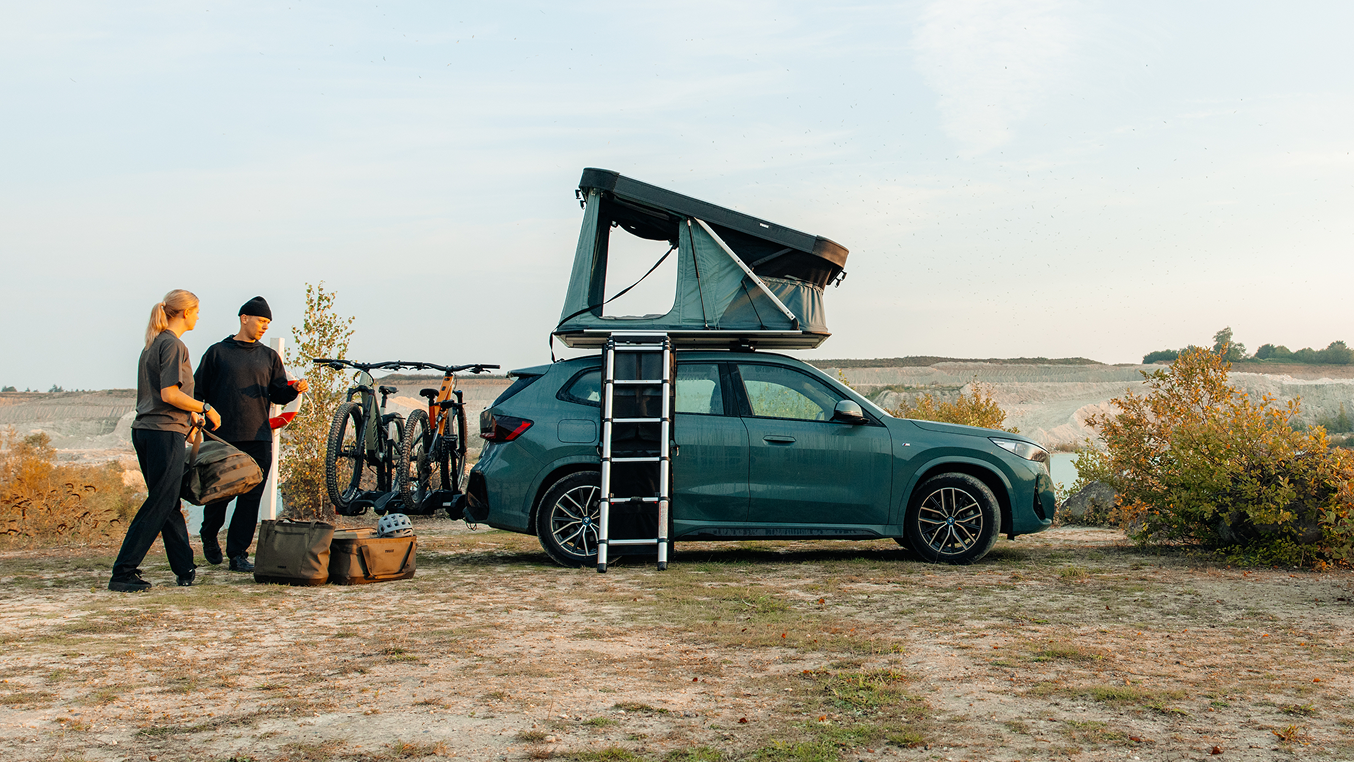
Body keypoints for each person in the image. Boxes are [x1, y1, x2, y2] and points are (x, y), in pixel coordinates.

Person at [109, 289, 222, 592]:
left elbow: (164, 398)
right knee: (160, 502)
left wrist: (191, 417)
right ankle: (123, 571)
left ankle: (184, 567)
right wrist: (205, 408)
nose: (198, 317)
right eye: (197, 311)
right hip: (163, 433)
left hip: (147, 430)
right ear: (185, 312)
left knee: (168, 500)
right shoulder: (174, 344)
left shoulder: (153, 344)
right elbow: (169, 394)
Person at [194, 296, 307, 572]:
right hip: (222, 437)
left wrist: (294, 390)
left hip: (258, 436)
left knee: (251, 498)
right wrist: (199, 418)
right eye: (261, 321)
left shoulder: (269, 357)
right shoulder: (217, 353)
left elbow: (278, 393)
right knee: (220, 494)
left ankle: (238, 554)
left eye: (268, 323)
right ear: (244, 318)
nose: (264, 326)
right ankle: (209, 533)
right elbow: (198, 392)